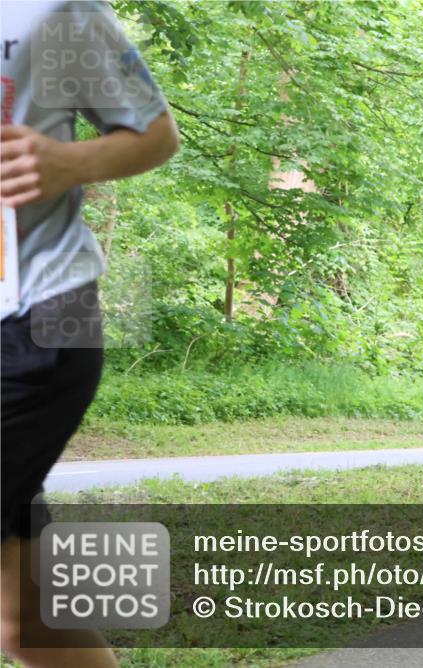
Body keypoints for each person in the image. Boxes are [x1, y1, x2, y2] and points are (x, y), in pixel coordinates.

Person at [1, 3, 178, 665]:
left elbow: (155, 133)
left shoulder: (54, 11)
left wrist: (69, 161)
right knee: (24, 619)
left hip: (46, 309)